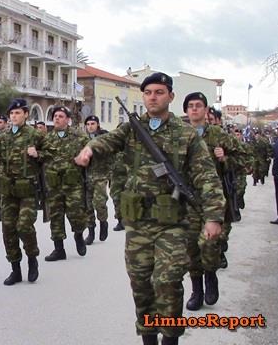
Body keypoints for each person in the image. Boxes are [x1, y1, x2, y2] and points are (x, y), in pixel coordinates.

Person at [75, 73, 225, 345]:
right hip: (139, 223)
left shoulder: (186, 134)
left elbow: (207, 177)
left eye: (159, 92)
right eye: (148, 93)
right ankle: (148, 339)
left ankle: (170, 338)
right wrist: (90, 149)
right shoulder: (132, 128)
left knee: (167, 282)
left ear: (170, 96)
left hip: (173, 224)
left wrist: (214, 217)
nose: (153, 97)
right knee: (141, 285)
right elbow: (106, 141)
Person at [0, 98, 46, 286]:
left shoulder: (35, 135)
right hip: (8, 190)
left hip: (28, 190)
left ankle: (32, 258)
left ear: (26, 114)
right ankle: (15, 269)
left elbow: (52, 155)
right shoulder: (4, 137)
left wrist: (38, 154)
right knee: (8, 229)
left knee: (24, 226)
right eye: (12, 114)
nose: (14, 116)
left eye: (18, 113)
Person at [183, 92, 243, 310]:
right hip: (186, 201)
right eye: (190, 106)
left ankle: (211, 275)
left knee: (209, 244)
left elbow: (246, 159)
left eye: (199, 105)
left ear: (206, 110)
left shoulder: (218, 134)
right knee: (191, 249)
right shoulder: (179, 134)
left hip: (213, 201)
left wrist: (224, 158)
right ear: (186, 111)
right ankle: (196, 290)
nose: (194, 109)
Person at [42, 106, 89, 261]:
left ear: (68, 119)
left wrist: (85, 159)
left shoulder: (79, 136)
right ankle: (59, 249)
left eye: (61, 116)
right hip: (54, 185)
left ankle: (79, 235)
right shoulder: (46, 138)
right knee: (55, 216)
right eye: (55, 116)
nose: (57, 118)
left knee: (76, 214)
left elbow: (90, 152)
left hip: (73, 184)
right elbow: (41, 156)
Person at [83, 115, 112, 244]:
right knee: (88, 205)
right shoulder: (82, 139)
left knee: (99, 203)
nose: (90, 126)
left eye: (92, 124)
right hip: (86, 176)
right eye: (88, 124)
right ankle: (91, 231)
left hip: (101, 176)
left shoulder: (104, 138)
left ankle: (103, 223)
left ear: (98, 125)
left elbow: (113, 154)